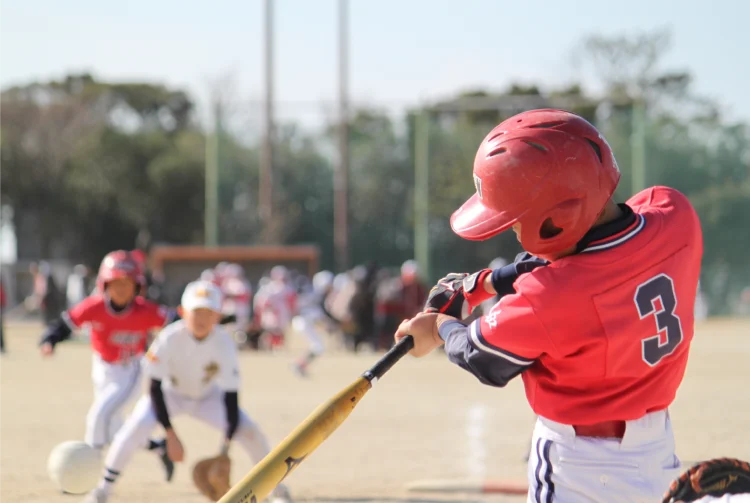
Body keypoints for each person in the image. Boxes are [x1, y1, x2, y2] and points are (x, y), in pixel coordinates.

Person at [394, 109, 703, 503]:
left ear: (557, 220)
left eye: (515, 221)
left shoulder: (548, 297)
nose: (512, 231)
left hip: (576, 467)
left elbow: (478, 354)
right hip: (658, 457)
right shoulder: (676, 214)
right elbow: (594, 250)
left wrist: (438, 328)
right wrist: (485, 282)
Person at [82, 281, 293, 503]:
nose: (202, 319)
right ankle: (103, 489)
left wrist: (225, 447)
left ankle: (277, 489)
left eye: (209, 312)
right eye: (197, 311)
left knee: (250, 431)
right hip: (169, 395)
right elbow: (154, 387)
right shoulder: (169, 337)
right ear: (183, 312)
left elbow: (231, 395)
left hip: (208, 396)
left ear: (218, 316)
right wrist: (170, 434)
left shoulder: (224, 343)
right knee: (134, 429)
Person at [39, 250, 175, 478]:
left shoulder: (146, 310)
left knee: (99, 415)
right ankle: (157, 446)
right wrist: (49, 340)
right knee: (114, 430)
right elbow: (65, 324)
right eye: (115, 283)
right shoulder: (94, 307)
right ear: (104, 284)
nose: (121, 288)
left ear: (137, 286)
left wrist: (210, 323)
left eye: (127, 283)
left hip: (130, 369)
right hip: (102, 369)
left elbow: (177, 321)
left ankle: (86, 471)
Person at [290, 270, 336, 376]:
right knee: (318, 346)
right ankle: (299, 365)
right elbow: (314, 314)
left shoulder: (311, 292)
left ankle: (300, 365)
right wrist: (327, 325)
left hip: (302, 322)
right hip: (302, 322)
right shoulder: (313, 295)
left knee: (318, 346)